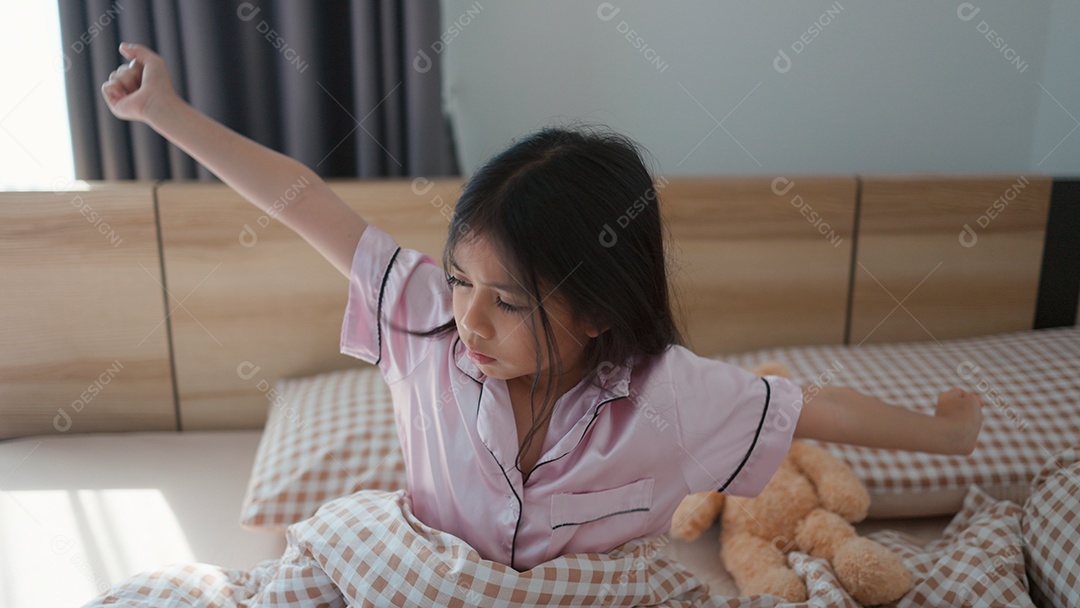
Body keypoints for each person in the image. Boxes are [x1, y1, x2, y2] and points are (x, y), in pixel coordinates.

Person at [102, 42, 985, 572]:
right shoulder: (420, 316)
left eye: (511, 302)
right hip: (429, 582)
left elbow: (811, 407)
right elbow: (301, 200)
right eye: (461, 280)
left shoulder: (670, 394)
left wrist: (944, 434)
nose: (470, 321)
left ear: (598, 311)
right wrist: (167, 112)